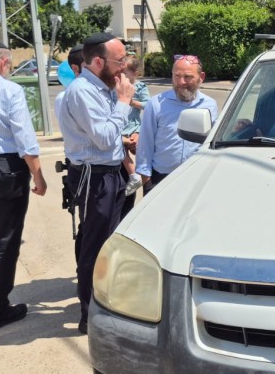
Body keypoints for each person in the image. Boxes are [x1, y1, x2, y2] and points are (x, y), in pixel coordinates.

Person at [57, 33, 135, 335]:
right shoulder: (82, 91)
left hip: (111, 172)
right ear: (99, 61)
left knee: (110, 243)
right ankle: (90, 315)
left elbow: (108, 134)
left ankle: (106, 302)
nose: (124, 66)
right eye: (119, 60)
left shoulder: (103, 87)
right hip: (94, 177)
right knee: (94, 245)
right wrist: (124, 102)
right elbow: (102, 138)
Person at [0, 40, 47, 331]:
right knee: (6, 240)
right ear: (3, 62)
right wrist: (38, 176)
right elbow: (24, 138)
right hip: (6, 169)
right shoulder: (10, 89)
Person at [135, 54, 218, 192]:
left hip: (196, 179)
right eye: (176, 76)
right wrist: (147, 182)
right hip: (161, 179)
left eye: (188, 77)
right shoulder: (156, 104)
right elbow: (145, 144)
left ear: (201, 77)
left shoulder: (210, 105)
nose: (181, 82)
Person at [120, 55, 148, 209]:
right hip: (121, 125)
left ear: (134, 73)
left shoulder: (140, 87)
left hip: (133, 125)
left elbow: (148, 104)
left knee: (135, 149)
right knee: (121, 148)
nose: (122, 75)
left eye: (125, 73)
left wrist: (132, 102)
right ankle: (133, 175)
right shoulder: (117, 86)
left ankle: (138, 175)